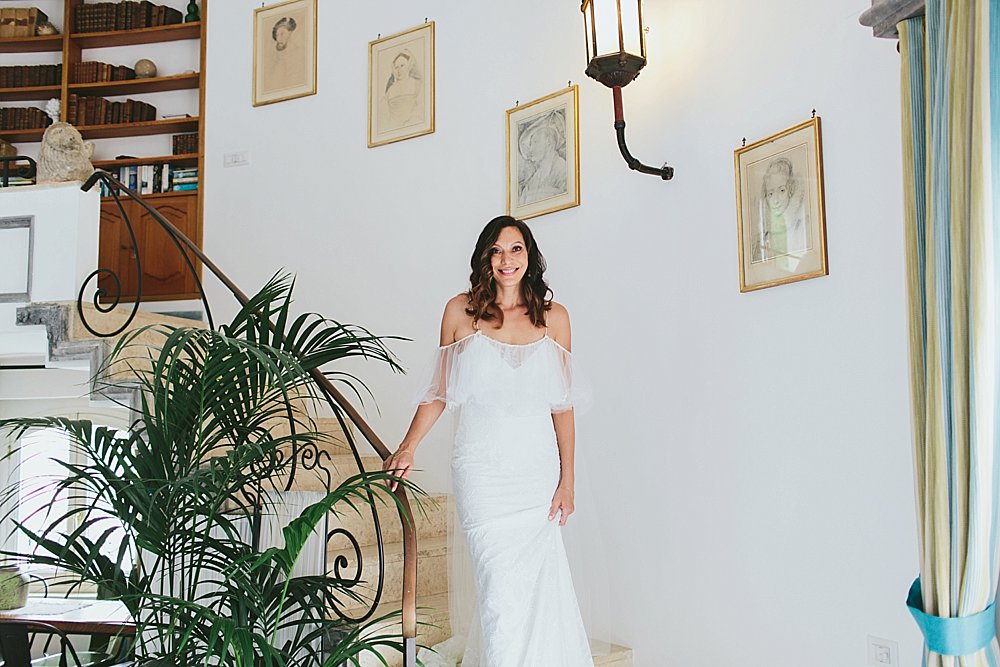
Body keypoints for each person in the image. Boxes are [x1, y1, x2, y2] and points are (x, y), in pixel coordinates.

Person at [384, 215, 594, 666]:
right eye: (496, 250)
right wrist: (407, 446)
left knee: (536, 589)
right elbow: (439, 391)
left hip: (535, 474)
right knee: (499, 588)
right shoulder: (460, 312)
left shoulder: (555, 319)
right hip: (482, 472)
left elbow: (562, 406)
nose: (506, 259)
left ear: (530, 256)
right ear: (485, 258)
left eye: (515, 249)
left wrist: (568, 480)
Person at [753, 157, 809, 271]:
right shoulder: (763, 238)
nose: (776, 200)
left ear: (790, 190)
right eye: (770, 194)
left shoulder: (804, 227)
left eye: (782, 190)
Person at [381, 48, 424, 130]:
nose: (399, 70)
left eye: (402, 66)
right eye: (396, 67)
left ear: (409, 66)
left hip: (414, 126)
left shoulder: (417, 84)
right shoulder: (390, 90)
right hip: (393, 128)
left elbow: (422, 107)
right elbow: (383, 113)